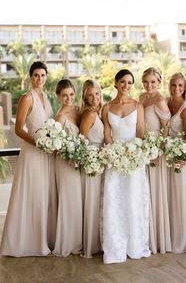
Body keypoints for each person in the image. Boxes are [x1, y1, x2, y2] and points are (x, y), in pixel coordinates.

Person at [0, 61, 57, 257]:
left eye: (42, 75)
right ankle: (23, 242)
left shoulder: (46, 97)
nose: (39, 79)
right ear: (30, 77)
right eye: (36, 75)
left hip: (46, 154)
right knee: (31, 192)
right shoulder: (27, 98)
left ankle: (41, 239)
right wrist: (39, 144)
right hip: (33, 152)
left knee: (43, 194)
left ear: (46, 77)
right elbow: (19, 129)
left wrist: (52, 142)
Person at [102, 69, 151, 264]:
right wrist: (114, 152)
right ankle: (116, 247)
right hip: (114, 160)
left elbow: (140, 132)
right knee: (115, 202)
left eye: (130, 82)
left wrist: (132, 153)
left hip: (134, 160)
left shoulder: (138, 106)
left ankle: (135, 244)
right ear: (115, 83)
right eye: (122, 82)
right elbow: (107, 134)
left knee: (133, 199)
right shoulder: (106, 107)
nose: (126, 86)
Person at [139, 67, 171, 254]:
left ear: (159, 82)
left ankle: (156, 238)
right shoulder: (141, 98)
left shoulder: (160, 101)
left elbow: (166, 128)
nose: (149, 85)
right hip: (141, 151)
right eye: (146, 81)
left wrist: (158, 152)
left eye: (153, 82)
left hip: (154, 154)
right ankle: (143, 235)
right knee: (143, 195)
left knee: (153, 194)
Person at [52, 79, 83, 257]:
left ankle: (78, 239)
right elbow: (56, 145)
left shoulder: (77, 111)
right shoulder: (60, 117)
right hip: (65, 163)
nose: (68, 98)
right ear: (58, 96)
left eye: (71, 94)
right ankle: (69, 242)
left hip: (77, 161)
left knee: (77, 200)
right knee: (69, 199)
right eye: (64, 95)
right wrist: (69, 156)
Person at [167, 72, 186, 253]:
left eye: (180, 85)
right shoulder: (167, 102)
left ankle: (182, 239)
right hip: (167, 156)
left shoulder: (185, 109)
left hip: (180, 159)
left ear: (185, 87)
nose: (176, 89)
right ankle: (169, 235)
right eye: (173, 85)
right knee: (170, 197)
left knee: (181, 197)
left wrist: (183, 157)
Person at [79, 79, 104, 258]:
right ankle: (91, 244)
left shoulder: (98, 112)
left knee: (98, 203)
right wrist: (91, 159)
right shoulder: (90, 114)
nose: (94, 97)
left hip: (100, 159)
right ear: (85, 98)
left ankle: (98, 241)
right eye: (90, 95)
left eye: (96, 93)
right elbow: (82, 140)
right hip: (92, 161)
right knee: (93, 202)